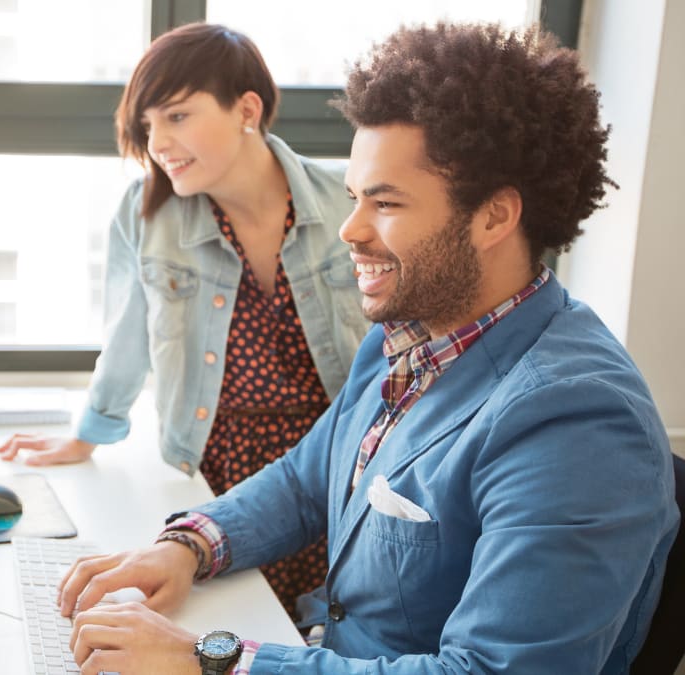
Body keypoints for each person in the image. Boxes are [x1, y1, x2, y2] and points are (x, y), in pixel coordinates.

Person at [56, 22, 679, 675]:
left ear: (494, 217)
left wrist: (213, 661)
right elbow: (306, 479)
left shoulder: (576, 420)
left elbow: (489, 671)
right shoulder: (407, 335)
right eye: (354, 197)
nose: (350, 230)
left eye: (385, 203)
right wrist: (186, 546)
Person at [0, 23, 369, 612]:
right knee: (225, 629)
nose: (158, 142)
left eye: (176, 116)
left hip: (331, 472)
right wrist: (89, 431)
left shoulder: (346, 200)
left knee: (327, 626)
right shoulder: (146, 213)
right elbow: (125, 333)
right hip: (208, 470)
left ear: (247, 109)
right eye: (147, 125)